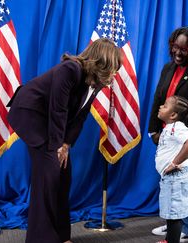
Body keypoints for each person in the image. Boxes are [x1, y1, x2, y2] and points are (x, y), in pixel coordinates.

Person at [7, 38, 121, 243]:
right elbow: (58, 109)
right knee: (48, 174)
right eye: (113, 69)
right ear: (101, 62)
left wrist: (66, 145)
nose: (114, 75)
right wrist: (57, 145)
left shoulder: (95, 83)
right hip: (30, 113)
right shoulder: (70, 70)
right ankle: (42, 238)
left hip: (50, 123)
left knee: (63, 174)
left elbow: (80, 117)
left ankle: (61, 236)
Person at [148, 27, 188, 243]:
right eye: (175, 47)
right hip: (165, 134)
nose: (178, 53)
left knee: (183, 185)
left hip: (184, 136)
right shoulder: (167, 67)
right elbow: (158, 98)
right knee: (169, 182)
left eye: (183, 49)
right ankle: (175, 223)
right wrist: (154, 129)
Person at [155, 95, 188, 243]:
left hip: (176, 178)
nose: (161, 107)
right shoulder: (170, 128)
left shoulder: (178, 127)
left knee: (174, 215)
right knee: (170, 212)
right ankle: (169, 239)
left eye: (165, 106)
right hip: (171, 179)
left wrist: (174, 163)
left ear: (173, 115)